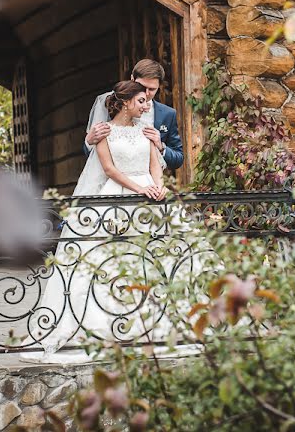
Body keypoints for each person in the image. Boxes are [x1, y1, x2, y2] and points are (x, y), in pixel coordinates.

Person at [23, 81, 202, 364]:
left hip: (150, 197)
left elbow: (155, 163)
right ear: (124, 103)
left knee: (157, 256)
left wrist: (158, 186)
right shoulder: (104, 132)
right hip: (118, 195)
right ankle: (110, 322)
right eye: (142, 101)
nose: (147, 106)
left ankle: (160, 321)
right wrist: (138, 188)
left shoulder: (146, 130)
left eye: (146, 101)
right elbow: (109, 169)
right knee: (112, 257)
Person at [83, 59, 183, 172]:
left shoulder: (167, 114)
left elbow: (178, 159)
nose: (146, 93)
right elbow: (91, 156)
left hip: (150, 183)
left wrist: (161, 146)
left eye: (151, 89)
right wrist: (88, 142)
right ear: (132, 79)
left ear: (159, 86)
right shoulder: (112, 106)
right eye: (141, 86)